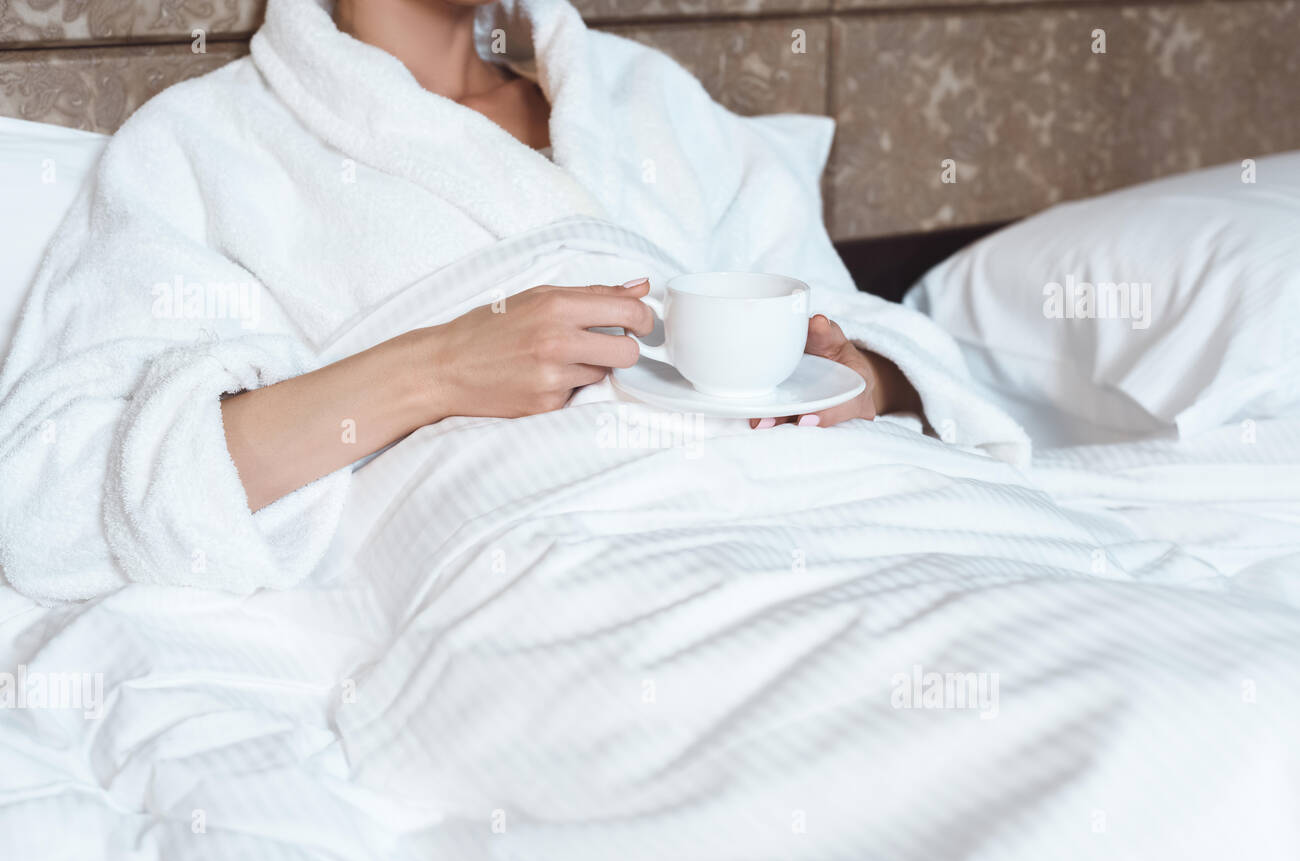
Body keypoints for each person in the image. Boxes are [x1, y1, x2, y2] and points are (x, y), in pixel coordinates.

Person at [0, 0, 958, 603]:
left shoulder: (643, 99)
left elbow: (859, 331)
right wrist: (436, 367)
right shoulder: (207, 146)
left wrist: (859, 376)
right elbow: (55, 499)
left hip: (859, 520)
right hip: (568, 577)